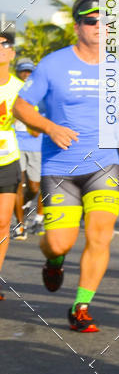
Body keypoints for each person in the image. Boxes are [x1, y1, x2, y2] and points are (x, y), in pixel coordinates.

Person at [13, 0, 119, 332]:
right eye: (91, 21)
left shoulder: (118, 68)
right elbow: (21, 106)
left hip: (105, 163)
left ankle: (81, 305)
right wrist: (50, 127)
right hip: (60, 168)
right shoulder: (52, 64)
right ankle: (54, 259)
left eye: (105, 22)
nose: (98, 27)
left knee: (100, 236)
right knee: (60, 241)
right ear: (77, 27)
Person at [0, 31, 24, 298]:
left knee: (3, 222)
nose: (1, 49)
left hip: (8, 160)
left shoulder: (19, 88)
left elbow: (35, 120)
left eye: (5, 45)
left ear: (12, 53)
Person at [13, 58, 43, 239]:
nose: (26, 75)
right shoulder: (11, 90)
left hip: (36, 144)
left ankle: (22, 206)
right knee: (18, 184)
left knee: (34, 187)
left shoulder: (41, 92)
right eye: (23, 71)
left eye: (29, 72)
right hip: (15, 143)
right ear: (17, 72)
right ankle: (20, 225)